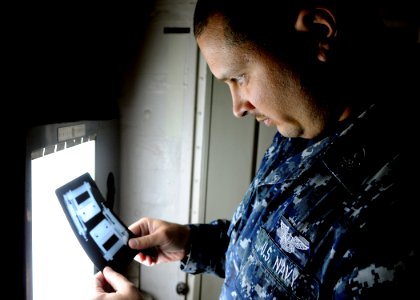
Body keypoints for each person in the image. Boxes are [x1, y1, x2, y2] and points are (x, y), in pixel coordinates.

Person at [93, 0, 417, 299]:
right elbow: (272, 260)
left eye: (240, 77)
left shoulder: (391, 211)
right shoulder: (302, 126)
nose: (238, 107)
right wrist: (192, 244)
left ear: (319, 32)